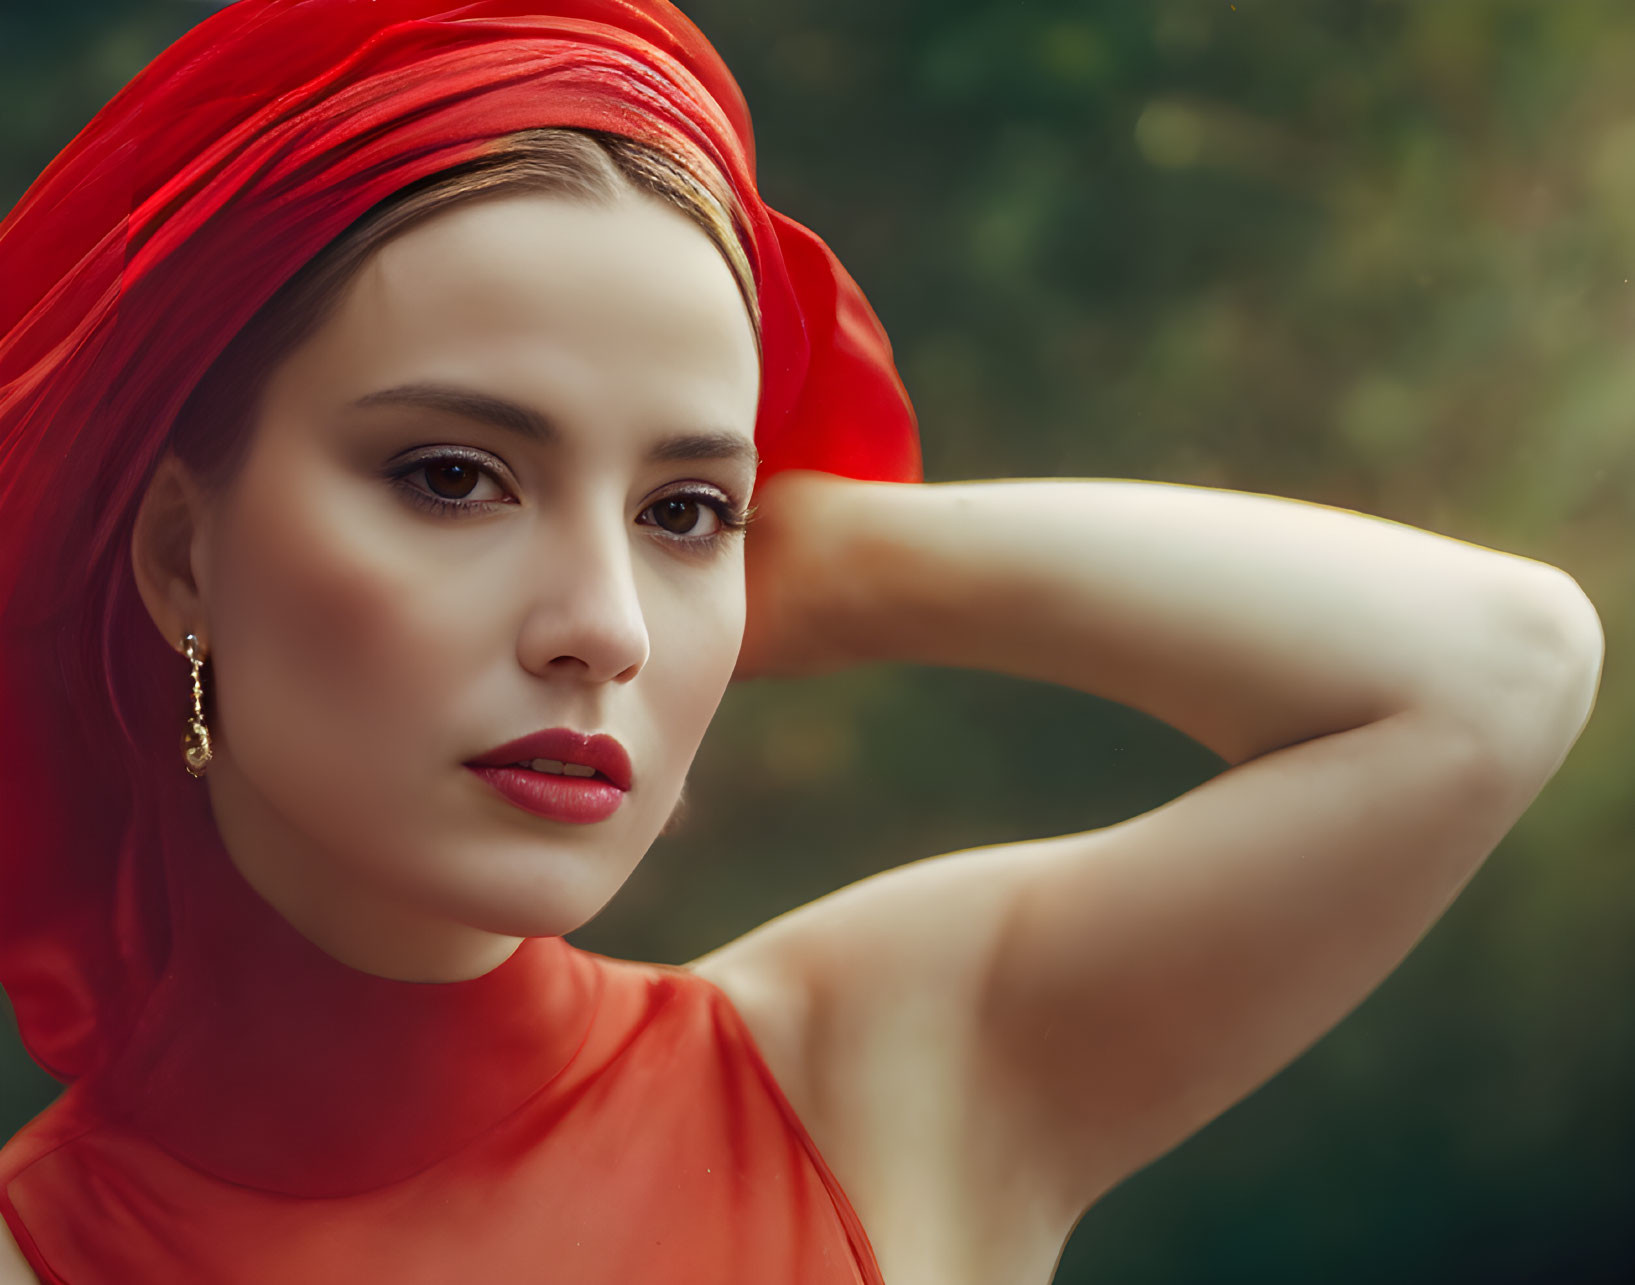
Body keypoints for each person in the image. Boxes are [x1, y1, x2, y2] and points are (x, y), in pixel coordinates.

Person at [0, 2, 1605, 1282]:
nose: (605, 632)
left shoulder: (889, 1071)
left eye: (687, 511)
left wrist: (829, 556)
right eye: (452, 475)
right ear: (178, 553)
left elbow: (1500, 665)